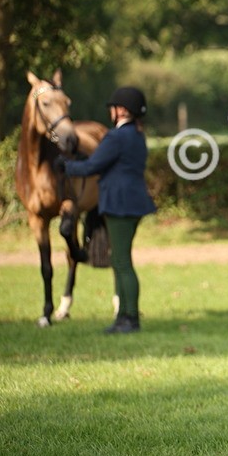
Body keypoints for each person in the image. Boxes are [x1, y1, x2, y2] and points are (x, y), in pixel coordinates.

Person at [59, 87, 157, 333]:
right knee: (120, 259)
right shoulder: (136, 135)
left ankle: (130, 318)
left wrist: (66, 166)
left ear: (122, 110)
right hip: (132, 202)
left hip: (119, 203)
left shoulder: (116, 137)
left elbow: (93, 166)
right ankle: (124, 315)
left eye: (113, 107)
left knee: (122, 261)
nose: (111, 112)